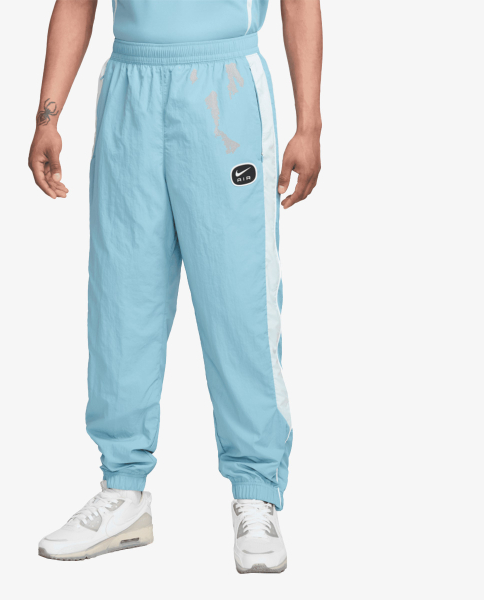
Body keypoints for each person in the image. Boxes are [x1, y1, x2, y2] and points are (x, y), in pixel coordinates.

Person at [29, 0, 322, 573]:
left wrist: (308, 124)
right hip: (130, 86)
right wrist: (47, 116)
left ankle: (257, 491)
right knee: (121, 302)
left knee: (238, 302)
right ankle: (123, 489)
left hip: (224, 88)